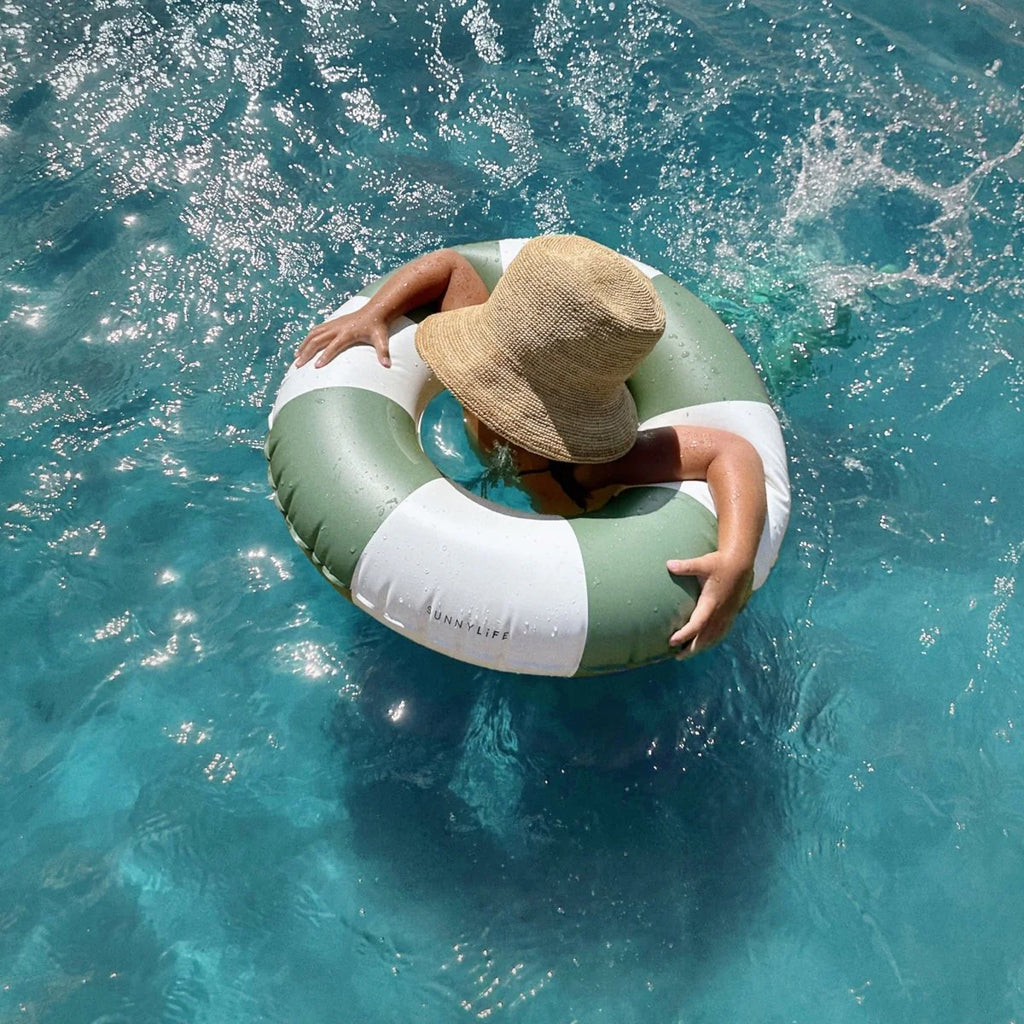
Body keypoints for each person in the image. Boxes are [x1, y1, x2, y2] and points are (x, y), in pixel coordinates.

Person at [295, 235, 767, 658]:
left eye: (501, 385)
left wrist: (736, 561)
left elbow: (732, 452)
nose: (484, 391)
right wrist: (373, 312)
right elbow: (451, 266)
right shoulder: (475, 365)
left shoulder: (591, 466)